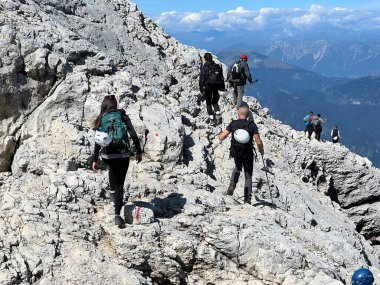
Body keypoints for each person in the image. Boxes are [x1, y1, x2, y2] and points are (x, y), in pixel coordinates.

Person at [92, 95, 143, 227]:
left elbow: (98, 140)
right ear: (116, 105)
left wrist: (94, 159)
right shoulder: (122, 115)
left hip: (107, 156)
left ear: (104, 105)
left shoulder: (102, 117)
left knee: (112, 168)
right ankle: (117, 215)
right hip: (123, 155)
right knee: (120, 183)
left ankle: (112, 192)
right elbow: (133, 134)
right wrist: (138, 151)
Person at [218, 105, 264, 204]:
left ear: (238, 113)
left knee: (237, 168)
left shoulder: (233, 124)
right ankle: (247, 199)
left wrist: (219, 136)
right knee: (248, 175)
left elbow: (222, 137)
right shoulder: (252, 125)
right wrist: (261, 151)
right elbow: (258, 142)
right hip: (247, 153)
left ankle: (231, 187)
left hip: (236, 151)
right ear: (248, 115)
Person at [199, 52, 223, 125]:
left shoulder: (204, 67)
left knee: (208, 103)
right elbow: (221, 77)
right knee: (215, 102)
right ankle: (218, 113)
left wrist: (201, 89)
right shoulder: (217, 66)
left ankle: (212, 119)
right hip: (217, 86)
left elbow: (202, 79)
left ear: (205, 59)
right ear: (212, 58)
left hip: (208, 87)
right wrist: (222, 88)